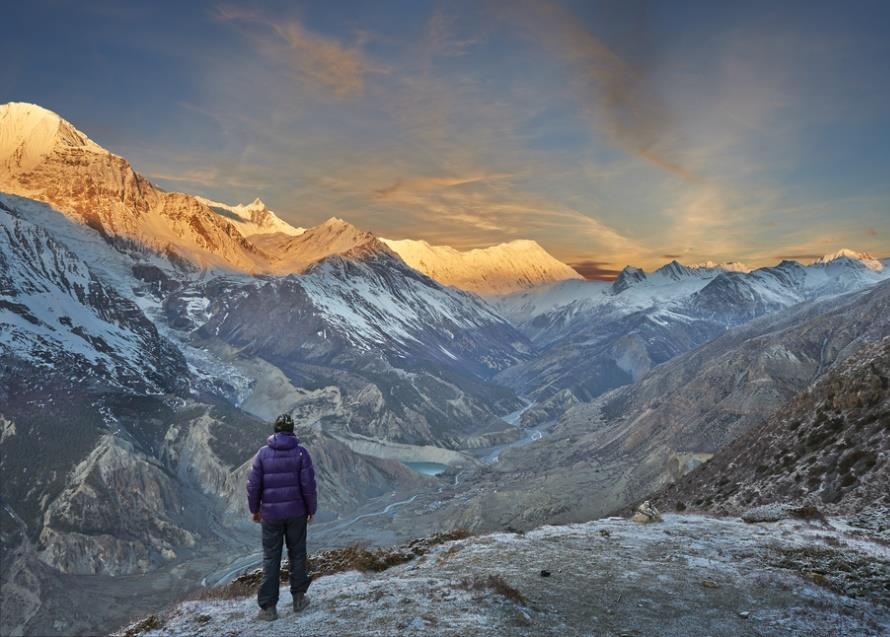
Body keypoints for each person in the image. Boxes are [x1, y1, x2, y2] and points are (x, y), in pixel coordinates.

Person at [246, 413, 318, 621]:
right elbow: (309, 486)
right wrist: (311, 510)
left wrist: (255, 510)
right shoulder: (301, 453)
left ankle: (268, 608)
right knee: (297, 555)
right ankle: (299, 600)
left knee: (271, 558)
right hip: (297, 514)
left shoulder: (262, 454)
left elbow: (253, 486)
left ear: (275, 430)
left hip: (270, 516)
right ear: (292, 430)